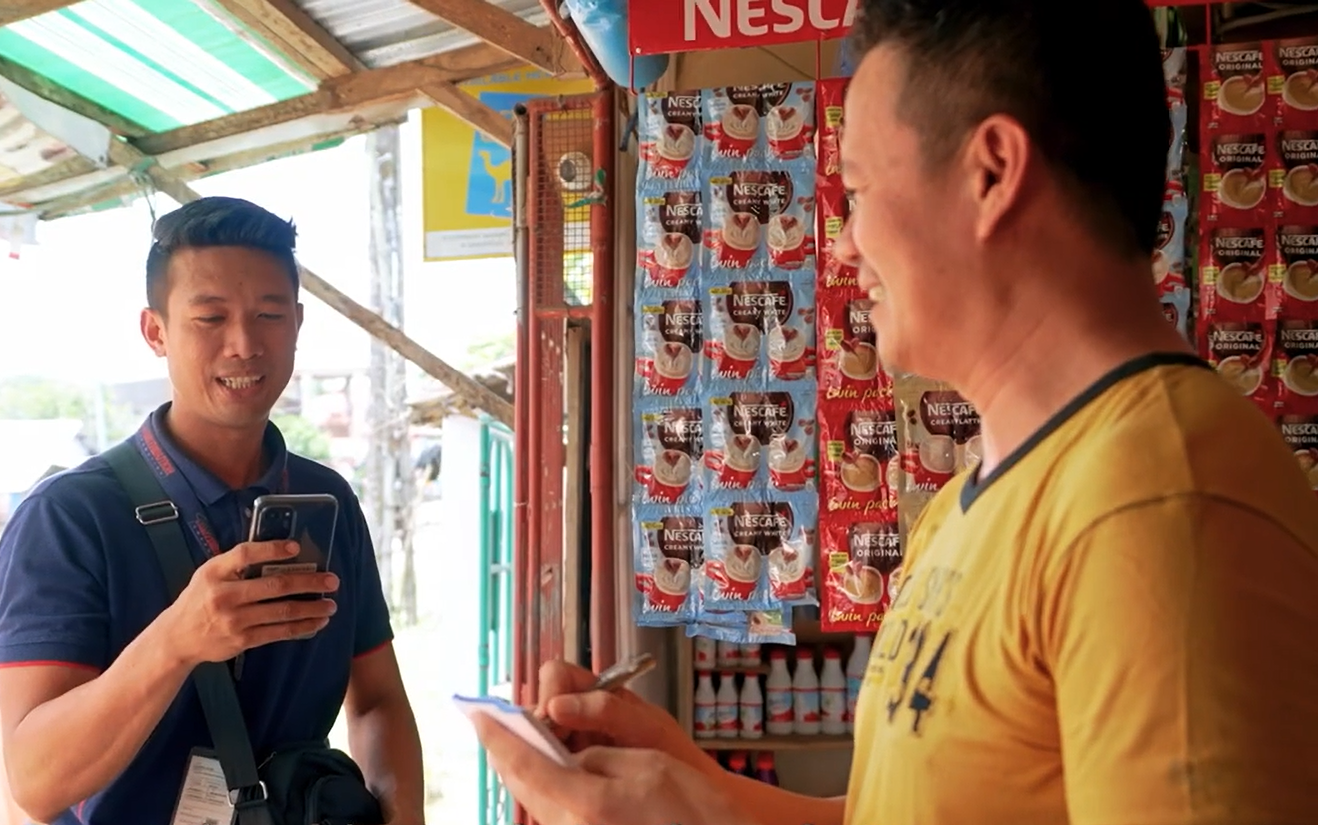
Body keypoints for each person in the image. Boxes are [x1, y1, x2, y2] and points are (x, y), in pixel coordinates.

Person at [475, 2, 1318, 823]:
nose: (842, 242)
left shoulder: (1155, 507)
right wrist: (687, 788)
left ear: (990, 172)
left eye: (859, 189)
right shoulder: (964, 504)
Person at [0, 196, 425, 825]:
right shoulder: (69, 518)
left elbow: (378, 701)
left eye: (269, 314)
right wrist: (176, 641)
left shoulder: (325, 501)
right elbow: (36, 782)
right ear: (155, 331)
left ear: (298, 324)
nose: (244, 344)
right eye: (210, 318)